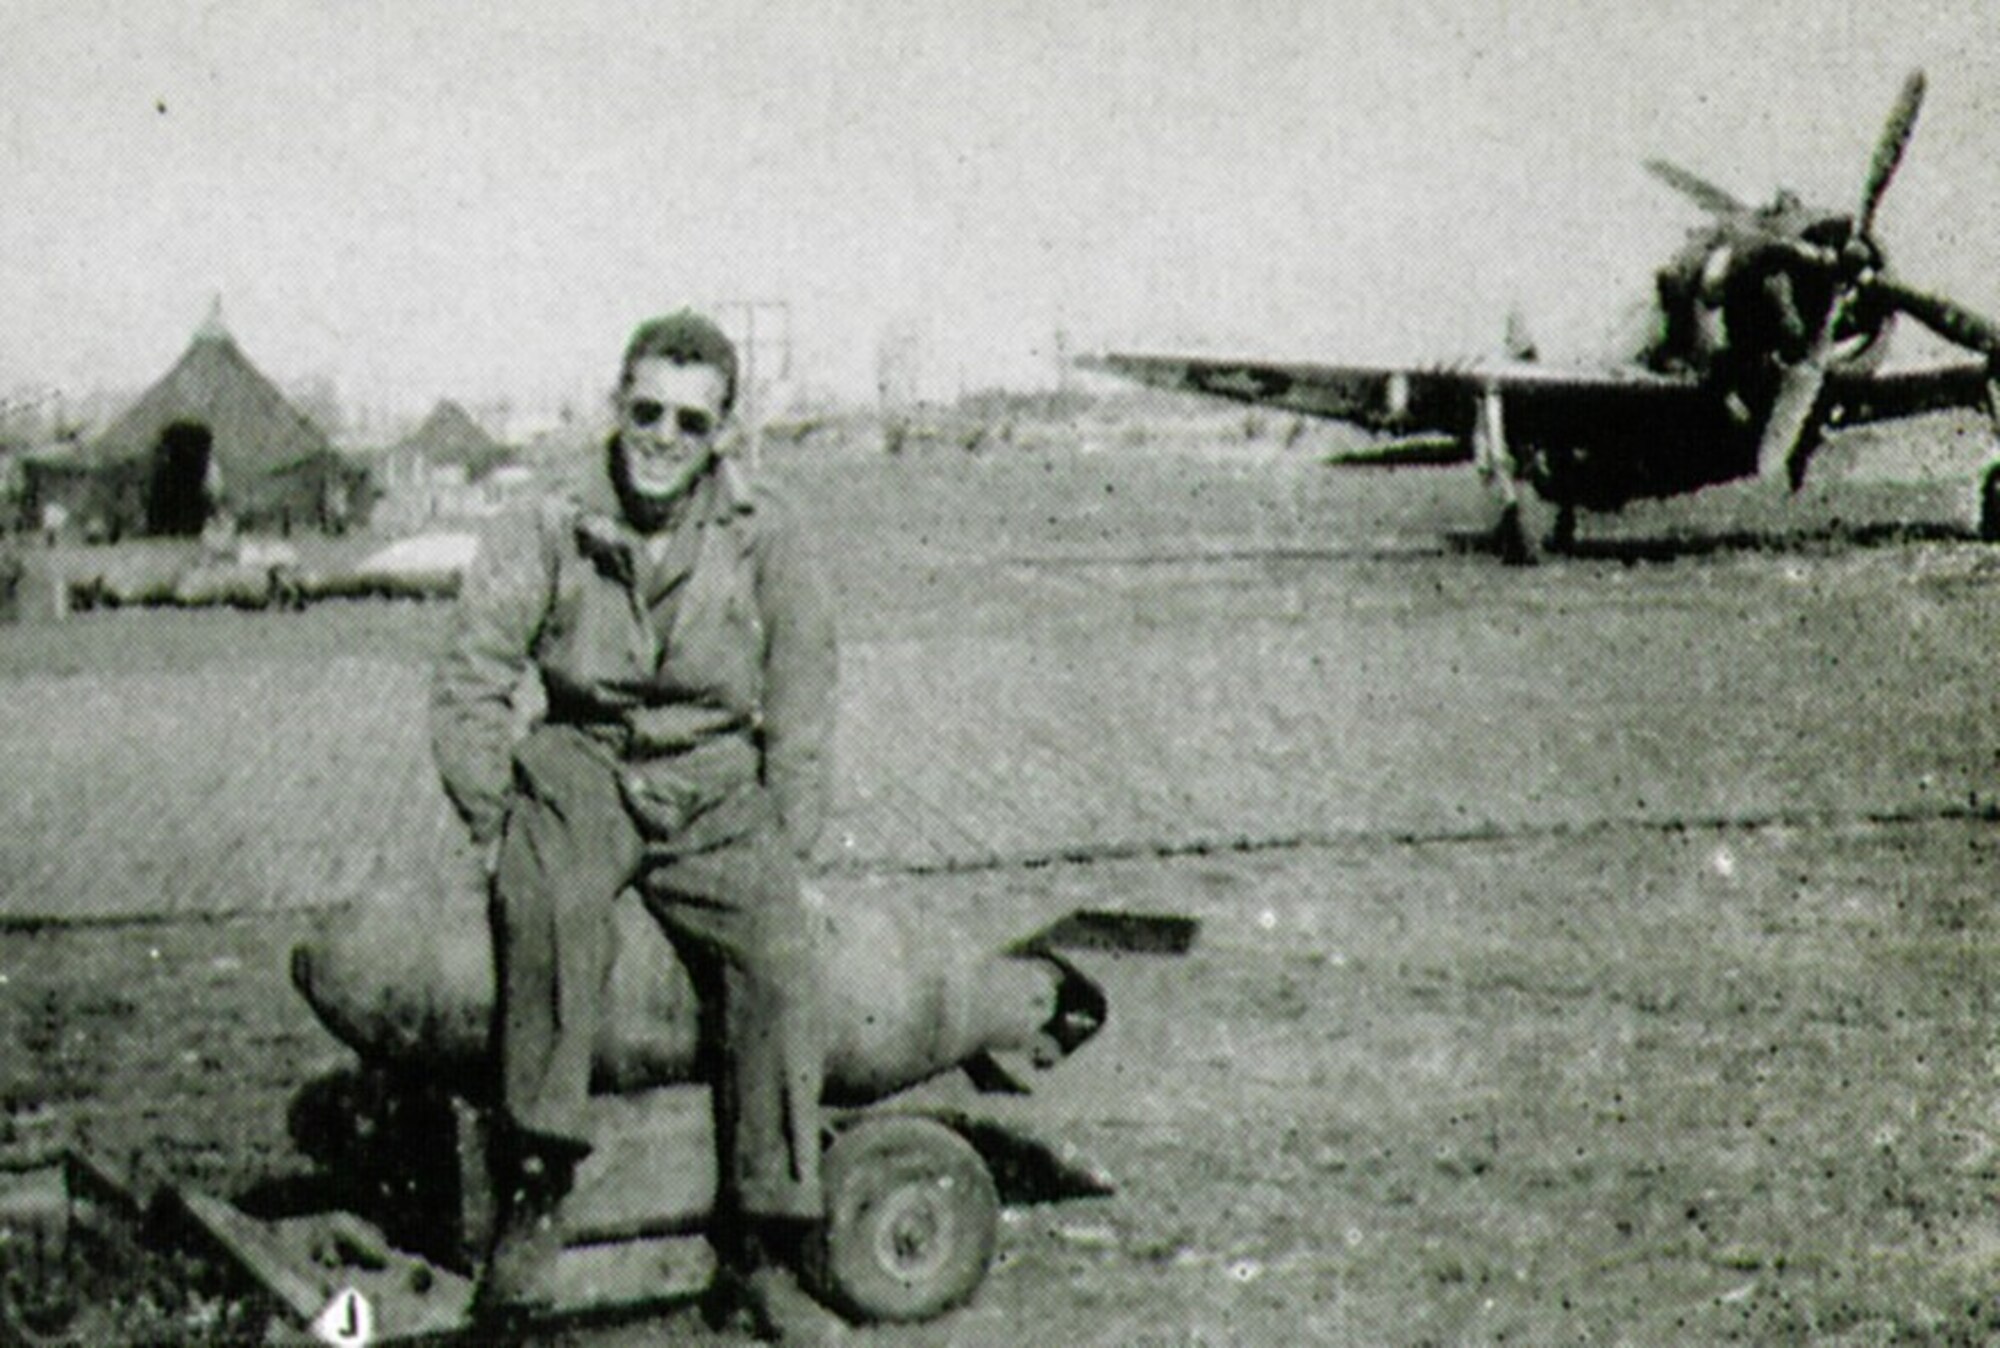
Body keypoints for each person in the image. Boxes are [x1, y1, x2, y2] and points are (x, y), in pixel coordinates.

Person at [430, 310, 843, 1340]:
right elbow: (472, 679)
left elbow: (801, 694)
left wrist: (786, 845)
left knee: (781, 958)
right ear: (615, 405)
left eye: (690, 421)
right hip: (584, 761)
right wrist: (495, 822)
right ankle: (534, 1200)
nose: (663, 435)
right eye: (646, 409)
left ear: (723, 434)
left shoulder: (768, 533)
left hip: (712, 780)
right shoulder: (546, 521)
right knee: (552, 908)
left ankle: (760, 1248)